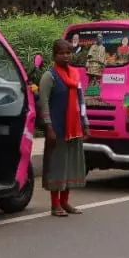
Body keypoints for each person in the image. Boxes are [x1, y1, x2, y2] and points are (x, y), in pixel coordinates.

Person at [37, 39, 89, 217]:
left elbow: (81, 101)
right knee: (57, 166)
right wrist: (49, 126)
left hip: (75, 129)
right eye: (62, 53)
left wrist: (85, 123)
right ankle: (55, 204)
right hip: (57, 128)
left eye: (68, 52)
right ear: (54, 55)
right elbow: (43, 103)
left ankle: (65, 202)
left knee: (70, 165)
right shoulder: (49, 76)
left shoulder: (75, 75)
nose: (66, 56)